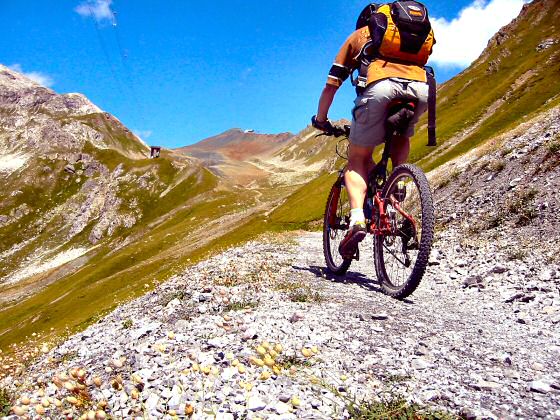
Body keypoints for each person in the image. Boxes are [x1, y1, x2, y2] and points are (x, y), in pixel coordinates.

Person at [312, 1, 435, 258]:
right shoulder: (410, 35)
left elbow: (332, 84)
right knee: (402, 133)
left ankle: (357, 219)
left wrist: (321, 119)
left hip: (380, 88)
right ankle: (397, 186)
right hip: (423, 89)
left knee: (358, 159)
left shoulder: (359, 36)